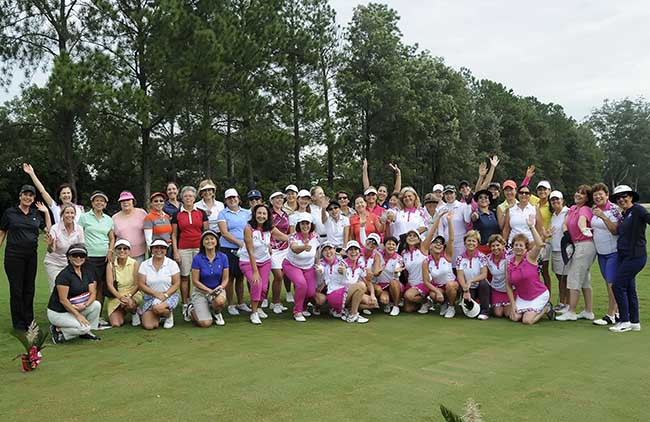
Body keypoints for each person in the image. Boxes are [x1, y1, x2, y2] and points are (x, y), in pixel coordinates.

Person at [0, 185, 51, 330]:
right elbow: (2, 233)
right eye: (25, 195)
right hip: (14, 256)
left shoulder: (35, 214)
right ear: (20, 196)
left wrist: (46, 212)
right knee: (17, 289)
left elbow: (48, 230)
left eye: (31, 195)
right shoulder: (10, 213)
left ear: (34, 198)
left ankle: (29, 320)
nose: (28, 198)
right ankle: (19, 323)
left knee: (29, 289)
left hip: (31, 256)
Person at [608, 185, 649, 333]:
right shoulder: (625, 214)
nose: (621, 199)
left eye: (624, 196)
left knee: (617, 286)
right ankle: (634, 322)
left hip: (635, 255)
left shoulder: (638, 210)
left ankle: (624, 320)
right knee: (630, 288)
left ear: (631, 196)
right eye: (618, 197)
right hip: (624, 256)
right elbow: (618, 231)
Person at [240, 204, 287, 324]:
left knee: (264, 288)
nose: (261, 216)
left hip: (265, 261)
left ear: (267, 216)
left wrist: (295, 238)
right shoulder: (248, 228)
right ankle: (254, 312)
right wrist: (255, 272)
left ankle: (259, 307)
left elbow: (282, 236)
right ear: (255, 214)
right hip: (248, 261)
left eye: (264, 214)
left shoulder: (269, 227)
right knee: (257, 284)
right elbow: (250, 251)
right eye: (259, 213)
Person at [556, 185, 596, 321]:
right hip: (576, 245)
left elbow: (581, 222)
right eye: (578, 192)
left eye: (583, 194)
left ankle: (572, 311)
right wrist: (567, 233)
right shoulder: (573, 209)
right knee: (584, 279)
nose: (578, 195)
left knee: (574, 276)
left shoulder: (585, 209)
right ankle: (588, 311)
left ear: (587, 198)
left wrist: (584, 229)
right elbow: (565, 224)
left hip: (585, 245)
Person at [47, 244, 102, 343]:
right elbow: (63, 300)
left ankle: (86, 332)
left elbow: (93, 292)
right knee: (84, 327)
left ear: (85, 258)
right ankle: (59, 331)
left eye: (81, 256)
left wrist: (85, 305)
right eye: (74, 255)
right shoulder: (64, 275)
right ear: (69, 257)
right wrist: (78, 315)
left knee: (96, 305)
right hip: (58, 312)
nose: (78, 258)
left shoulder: (87, 272)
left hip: (77, 307)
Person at [505, 216, 555, 325]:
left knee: (527, 320)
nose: (518, 247)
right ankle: (528, 310)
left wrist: (531, 227)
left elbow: (539, 244)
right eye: (516, 245)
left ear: (526, 248)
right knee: (514, 317)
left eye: (521, 245)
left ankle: (546, 308)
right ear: (512, 247)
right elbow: (508, 285)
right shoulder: (508, 263)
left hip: (538, 294)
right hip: (523, 297)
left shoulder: (530, 257)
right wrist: (513, 305)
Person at [171, 186, 208, 321]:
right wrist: (175, 251)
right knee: (185, 277)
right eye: (186, 196)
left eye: (191, 196)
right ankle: (185, 303)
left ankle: (201, 302)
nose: (188, 198)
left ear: (195, 198)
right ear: (182, 198)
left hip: (200, 249)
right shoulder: (177, 214)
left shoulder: (201, 212)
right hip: (183, 248)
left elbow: (206, 233)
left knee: (200, 277)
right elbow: (174, 235)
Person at [78, 191, 115, 326]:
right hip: (89, 257)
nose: (99, 203)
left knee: (100, 286)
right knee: (89, 285)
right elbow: (79, 234)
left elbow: (112, 238)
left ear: (105, 204)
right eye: (96, 201)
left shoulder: (108, 219)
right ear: (92, 203)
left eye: (102, 201)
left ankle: (97, 316)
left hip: (104, 257)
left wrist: (110, 251)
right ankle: (84, 313)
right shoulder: (84, 217)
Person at [590, 183, 623, 326]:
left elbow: (615, 230)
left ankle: (610, 315)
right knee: (608, 283)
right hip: (601, 253)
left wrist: (603, 216)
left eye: (600, 194)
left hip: (613, 252)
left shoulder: (614, 210)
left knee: (611, 284)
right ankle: (617, 313)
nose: (598, 197)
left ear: (607, 195)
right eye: (595, 195)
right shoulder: (594, 210)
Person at [319, 241, 375, 323]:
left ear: (359, 252)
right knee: (361, 286)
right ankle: (353, 314)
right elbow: (334, 268)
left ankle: (345, 310)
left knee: (371, 303)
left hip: (346, 293)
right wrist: (343, 271)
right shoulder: (341, 262)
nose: (353, 252)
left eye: (356, 250)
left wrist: (373, 294)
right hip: (335, 294)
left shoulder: (360, 267)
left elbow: (368, 281)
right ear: (347, 252)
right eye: (350, 250)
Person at [217, 188, 253, 316]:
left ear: (238, 198)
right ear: (226, 201)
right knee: (230, 277)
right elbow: (224, 233)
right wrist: (240, 243)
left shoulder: (246, 213)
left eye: (234, 197)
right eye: (229, 198)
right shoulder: (223, 214)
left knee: (240, 276)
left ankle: (241, 302)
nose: (232, 200)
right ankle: (231, 304)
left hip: (244, 249)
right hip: (228, 248)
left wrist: (246, 245)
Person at [282, 213, 320, 322]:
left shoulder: (315, 236)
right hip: (291, 265)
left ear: (310, 224)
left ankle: (303, 307)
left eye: (307, 223)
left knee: (311, 292)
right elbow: (294, 248)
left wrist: (318, 264)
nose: (305, 226)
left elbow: (316, 252)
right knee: (301, 284)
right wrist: (304, 247)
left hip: (308, 266)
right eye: (302, 223)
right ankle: (297, 311)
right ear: (299, 225)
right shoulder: (293, 236)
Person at [187, 230, 229, 327]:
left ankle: (217, 313)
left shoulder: (223, 257)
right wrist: (209, 291)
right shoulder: (197, 258)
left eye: (212, 239)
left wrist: (220, 288)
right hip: (201, 292)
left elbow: (225, 279)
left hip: (217, 290)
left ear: (217, 241)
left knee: (220, 301)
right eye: (206, 239)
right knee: (205, 323)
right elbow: (195, 281)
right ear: (202, 243)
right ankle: (191, 310)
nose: (209, 241)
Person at [422, 212, 459, 318]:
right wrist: (437, 291)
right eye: (436, 242)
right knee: (434, 295)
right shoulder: (426, 261)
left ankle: (451, 307)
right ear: (430, 246)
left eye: (441, 243)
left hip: (452, 286)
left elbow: (451, 239)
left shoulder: (447, 255)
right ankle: (444, 304)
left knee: (450, 285)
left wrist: (449, 221)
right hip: (438, 287)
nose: (438, 244)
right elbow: (426, 282)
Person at [137, 239, 181, 329]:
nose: (159, 250)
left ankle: (168, 315)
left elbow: (176, 284)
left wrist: (165, 295)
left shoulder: (172, 264)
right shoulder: (144, 264)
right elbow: (141, 284)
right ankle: (160, 316)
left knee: (157, 308)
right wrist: (156, 294)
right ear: (151, 249)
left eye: (162, 248)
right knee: (149, 326)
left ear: (166, 250)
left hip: (169, 296)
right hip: (150, 297)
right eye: (156, 247)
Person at [401, 218, 439, 313]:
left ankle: (427, 301)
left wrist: (438, 218)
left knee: (408, 295)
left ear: (419, 240)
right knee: (408, 309)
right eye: (409, 235)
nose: (411, 237)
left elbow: (431, 233)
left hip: (424, 283)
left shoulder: (423, 248)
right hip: (411, 283)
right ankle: (423, 303)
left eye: (414, 236)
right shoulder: (403, 253)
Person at [44, 204, 85, 291]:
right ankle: (55, 305)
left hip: (70, 264)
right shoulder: (55, 228)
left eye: (72, 213)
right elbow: (51, 250)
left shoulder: (79, 229)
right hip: (54, 263)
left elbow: (81, 249)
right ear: (62, 214)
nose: (70, 215)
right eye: (67, 213)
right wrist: (50, 245)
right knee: (57, 288)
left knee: (70, 289)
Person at [105, 239, 143, 327]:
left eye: (125, 248)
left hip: (132, 293)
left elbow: (138, 284)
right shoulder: (110, 265)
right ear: (115, 251)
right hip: (117, 295)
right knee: (116, 323)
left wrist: (129, 296)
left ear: (129, 251)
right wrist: (120, 297)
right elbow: (110, 285)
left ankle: (134, 312)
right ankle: (124, 310)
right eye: (119, 248)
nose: (122, 250)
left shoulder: (134, 263)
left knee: (129, 304)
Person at [456, 230, 489, 319]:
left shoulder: (482, 257)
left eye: (474, 241)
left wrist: (471, 280)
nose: (471, 243)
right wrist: (466, 290)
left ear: (477, 243)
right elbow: (460, 275)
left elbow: (484, 274)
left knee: (484, 284)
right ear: (465, 243)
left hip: (479, 287)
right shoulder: (460, 258)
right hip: (468, 288)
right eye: (469, 240)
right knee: (470, 312)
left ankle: (485, 311)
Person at [269, 191, 292, 313]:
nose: (279, 200)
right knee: (278, 275)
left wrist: (289, 239)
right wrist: (289, 238)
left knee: (282, 275)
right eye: (276, 198)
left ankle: (275, 302)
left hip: (285, 248)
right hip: (272, 248)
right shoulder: (269, 214)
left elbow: (288, 229)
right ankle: (275, 302)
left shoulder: (285, 214)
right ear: (271, 201)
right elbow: (273, 232)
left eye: (281, 198)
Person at [438, 185, 471, 266]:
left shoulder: (462, 206)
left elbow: (467, 220)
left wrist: (468, 205)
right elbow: (440, 228)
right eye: (447, 194)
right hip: (447, 242)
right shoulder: (441, 209)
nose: (449, 196)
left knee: (460, 265)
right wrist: (441, 242)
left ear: (455, 194)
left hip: (460, 242)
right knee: (448, 264)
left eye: (451, 193)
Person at [371, 236, 404, 316]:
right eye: (388, 244)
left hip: (393, 285)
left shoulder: (398, 258)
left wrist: (397, 272)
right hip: (381, 285)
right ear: (384, 245)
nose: (391, 246)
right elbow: (366, 244)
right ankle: (387, 303)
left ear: (396, 247)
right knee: (384, 300)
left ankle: (396, 306)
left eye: (393, 244)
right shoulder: (378, 254)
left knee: (394, 281)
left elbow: (398, 270)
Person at [112, 191, 148, 263]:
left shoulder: (142, 213)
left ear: (133, 201)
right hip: (122, 255)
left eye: (128, 200)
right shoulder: (114, 218)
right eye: (123, 201)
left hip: (140, 254)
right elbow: (112, 237)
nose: (125, 202)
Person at [549, 190, 570, 313]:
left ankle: (567, 304)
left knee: (565, 278)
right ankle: (562, 302)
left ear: (562, 200)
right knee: (560, 277)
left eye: (557, 199)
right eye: (553, 200)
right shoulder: (553, 215)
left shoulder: (567, 212)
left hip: (565, 250)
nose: (555, 201)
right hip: (555, 249)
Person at [535, 181, 554, 297]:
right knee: (534, 271)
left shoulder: (551, 204)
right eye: (540, 190)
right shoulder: (534, 202)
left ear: (549, 191)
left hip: (546, 241)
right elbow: (521, 190)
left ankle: (548, 296)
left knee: (544, 270)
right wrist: (527, 177)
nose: (542, 192)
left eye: (545, 189)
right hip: (535, 241)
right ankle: (536, 294)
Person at [485, 234, 510, 318]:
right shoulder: (487, 258)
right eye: (493, 246)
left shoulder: (510, 256)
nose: (495, 248)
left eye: (498, 245)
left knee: (507, 314)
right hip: (496, 289)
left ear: (503, 245)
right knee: (498, 314)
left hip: (510, 290)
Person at [471, 189, 500, 255]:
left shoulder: (493, 213)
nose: (483, 199)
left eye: (486, 197)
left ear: (489, 201)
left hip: (495, 248)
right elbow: (474, 218)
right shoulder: (476, 214)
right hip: (482, 249)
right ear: (477, 201)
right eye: (480, 197)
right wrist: (474, 216)